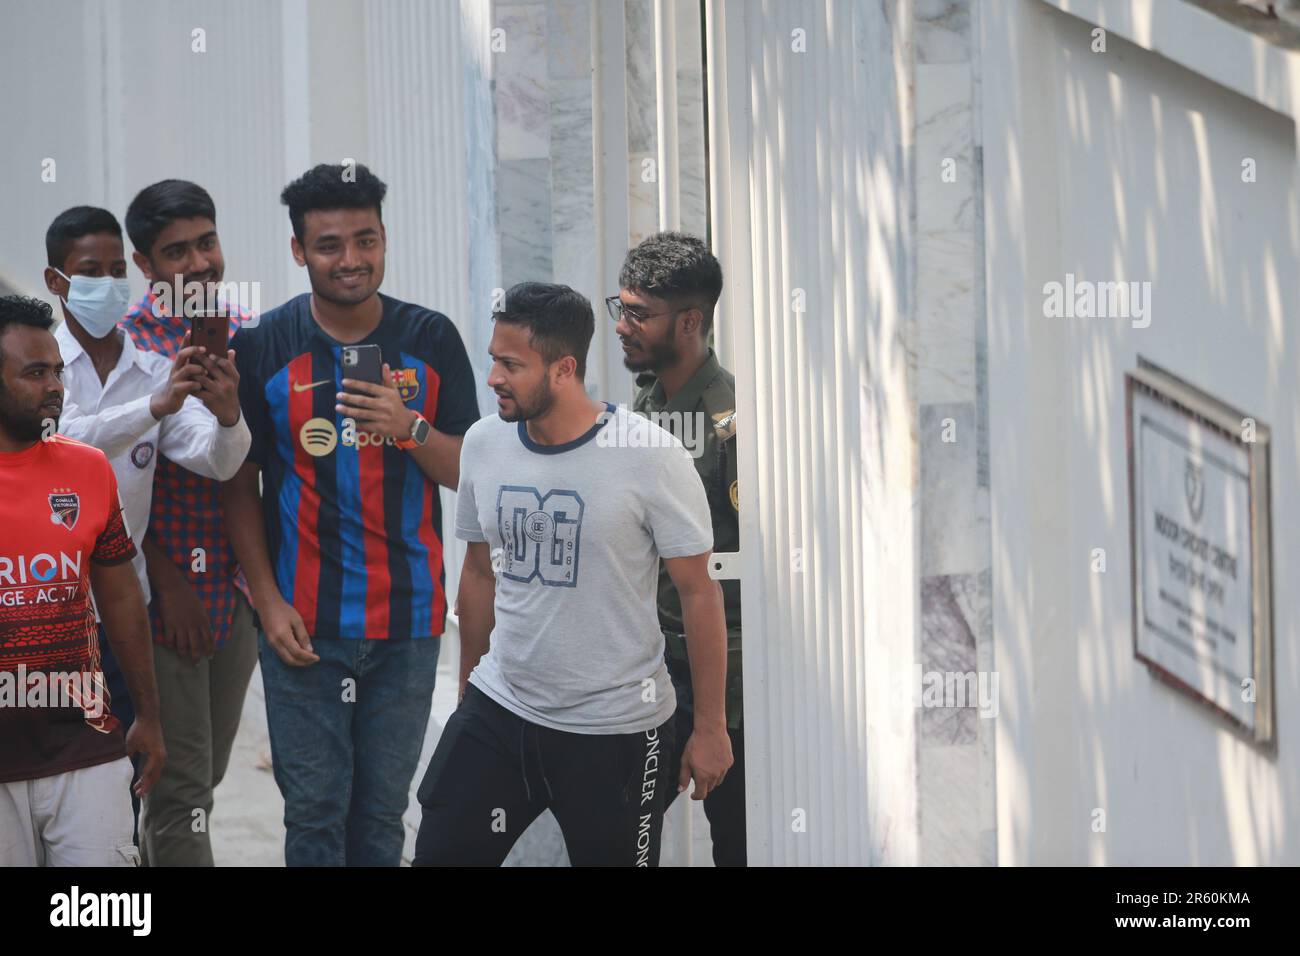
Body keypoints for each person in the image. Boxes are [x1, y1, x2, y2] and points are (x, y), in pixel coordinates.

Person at [413, 282, 732, 868]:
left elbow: (698, 591)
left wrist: (711, 727)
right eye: (493, 359)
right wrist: (466, 693)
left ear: (564, 368)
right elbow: (479, 573)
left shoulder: (648, 454)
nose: (493, 378)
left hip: (617, 729)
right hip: (502, 708)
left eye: (511, 364)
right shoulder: (485, 445)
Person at [223, 163, 479, 866]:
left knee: (380, 816)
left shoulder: (431, 340)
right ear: (299, 251)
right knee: (314, 813)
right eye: (330, 244)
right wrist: (267, 602)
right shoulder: (264, 347)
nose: (351, 260)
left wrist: (409, 427)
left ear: (385, 239)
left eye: (365, 240)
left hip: (409, 625)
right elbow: (236, 483)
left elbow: (472, 474)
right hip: (303, 627)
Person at [41, 205, 251, 849]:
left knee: (124, 792)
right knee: (43, 784)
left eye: (113, 271)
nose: (105, 284)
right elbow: (61, 442)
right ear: (56, 281)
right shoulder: (39, 365)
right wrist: (153, 408)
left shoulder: (156, 368)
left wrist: (227, 412)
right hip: (39, 615)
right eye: (87, 272)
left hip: (120, 619)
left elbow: (215, 461)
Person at [120, 180, 260, 866]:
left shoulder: (245, 330)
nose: (200, 261)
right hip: (160, 593)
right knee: (180, 795)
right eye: (177, 251)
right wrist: (166, 581)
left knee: (200, 780)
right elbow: (110, 478)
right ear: (144, 264)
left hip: (236, 591)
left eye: (207, 241)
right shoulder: (125, 348)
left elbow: (249, 468)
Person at [0, 294, 165, 866]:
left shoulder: (88, 469)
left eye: (57, 371)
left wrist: (147, 714)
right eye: (34, 373)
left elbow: (120, 598)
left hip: (86, 744)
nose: (55, 387)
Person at [614, 231, 747, 866]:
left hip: (715, 681)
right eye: (621, 307)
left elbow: (732, 577)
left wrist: (714, 723)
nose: (621, 326)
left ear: (689, 321)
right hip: (650, 669)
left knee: (738, 847)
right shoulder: (645, 403)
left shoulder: (728, 425)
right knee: (615, 837)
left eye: (639, 314)